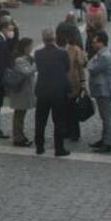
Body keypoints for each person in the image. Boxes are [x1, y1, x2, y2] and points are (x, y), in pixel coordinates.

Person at [34, 28, 71, 157]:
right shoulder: (62, 53)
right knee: (59, 120)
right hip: (58, 91)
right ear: (54, 38)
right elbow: (67, 68)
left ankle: (39, 146)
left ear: (43, 39)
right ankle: (59, 148)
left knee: (40, 120)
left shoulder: (38, 54)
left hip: (43, 90)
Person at [86, 31, 111, 153]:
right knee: (104, 116)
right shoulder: (101, 53)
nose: (93, 44)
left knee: (107, 117)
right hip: (101, 89)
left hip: (104, 90)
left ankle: (107, 143)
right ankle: (104, 139)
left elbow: (92, 68)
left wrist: (90, 62)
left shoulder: (103, 56)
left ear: (101, 42)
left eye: (95, 42)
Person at [6, 37, 36, 147]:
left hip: (23, 92)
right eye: (30, 46)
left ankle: (20, 136)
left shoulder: (25, 58)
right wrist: (35, 66)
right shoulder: (19, 60)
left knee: (20, 115)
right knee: (19, 115)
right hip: (20, 93)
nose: (31, 48)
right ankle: (18, 138)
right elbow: (27, 72)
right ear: (25, 47)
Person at [62, 28, 87, 142]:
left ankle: (70, 131)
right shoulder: (77, 50)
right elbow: (82, 66)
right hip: (74, 81)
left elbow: (80, 67)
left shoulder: (66, 49)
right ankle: (73, 132)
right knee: (71, 108)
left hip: (69, 81)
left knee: (68, 108)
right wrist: (83, 83)